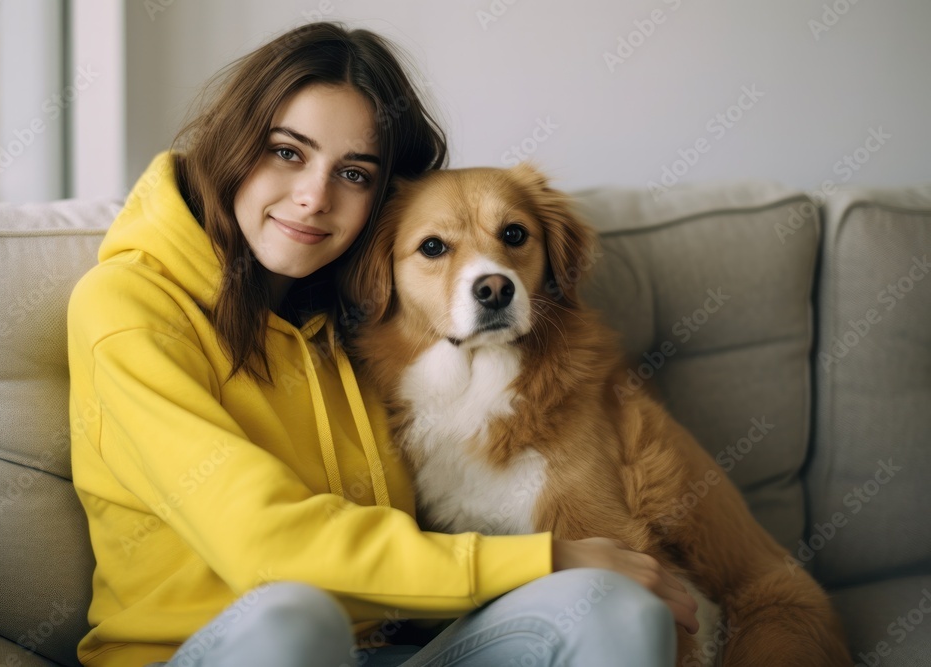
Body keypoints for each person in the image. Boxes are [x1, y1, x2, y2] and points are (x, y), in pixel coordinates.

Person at [67, 21, 698, 667]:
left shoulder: (364, 318)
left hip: (384, 652)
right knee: (296, 614)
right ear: (230, 143)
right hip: (209, 650)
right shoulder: (126, 308)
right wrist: (550, 554)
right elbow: (266, 544)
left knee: (611, 602)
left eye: (354, 172)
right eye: (287, 151)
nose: (314, 198)